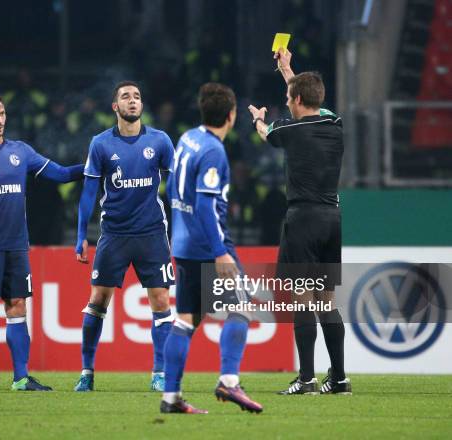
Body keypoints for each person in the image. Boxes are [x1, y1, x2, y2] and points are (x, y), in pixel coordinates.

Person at [0, 90, 84, 391]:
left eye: (2, 114)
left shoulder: (21, 151)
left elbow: (59, 174)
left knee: (17, 305)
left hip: (16, 245)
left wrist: (91, 168)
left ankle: (20, 378)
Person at [248, 49, 350, 395]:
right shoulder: (334, 124)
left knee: (302, 299)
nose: (286, 104)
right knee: (326, 301)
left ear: (298, 100)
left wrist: (257, 119)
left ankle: (306, 379)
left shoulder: (289, 129)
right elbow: (309, 101)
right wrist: (287, 70)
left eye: (289, 99)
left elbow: (266, 133)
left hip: (303, 218)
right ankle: (338, 378)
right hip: (332, 218)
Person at [161, 83, 263, 414]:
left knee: (185, 320)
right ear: (232, 115)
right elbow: (205, 206)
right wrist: (220, 252)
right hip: (208, 245)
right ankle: (229, 382)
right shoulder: (214, 152)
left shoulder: (188, 138)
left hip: (184, 243)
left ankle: (171, 398)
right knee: (242, 308)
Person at [74, 81, 175, 392]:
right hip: (114, 234)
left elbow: (174, 188)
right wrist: (81, 235)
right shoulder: (101, 144)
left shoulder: (160, 141)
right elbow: (89, 192)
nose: (133, 101)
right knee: (97, 300)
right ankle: (87, 372)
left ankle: (159, 373)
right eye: (125, 97)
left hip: (152, 233)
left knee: (160, 301)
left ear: (141, 106)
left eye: (137, 97)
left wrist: (184, 223)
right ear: (115, 107)